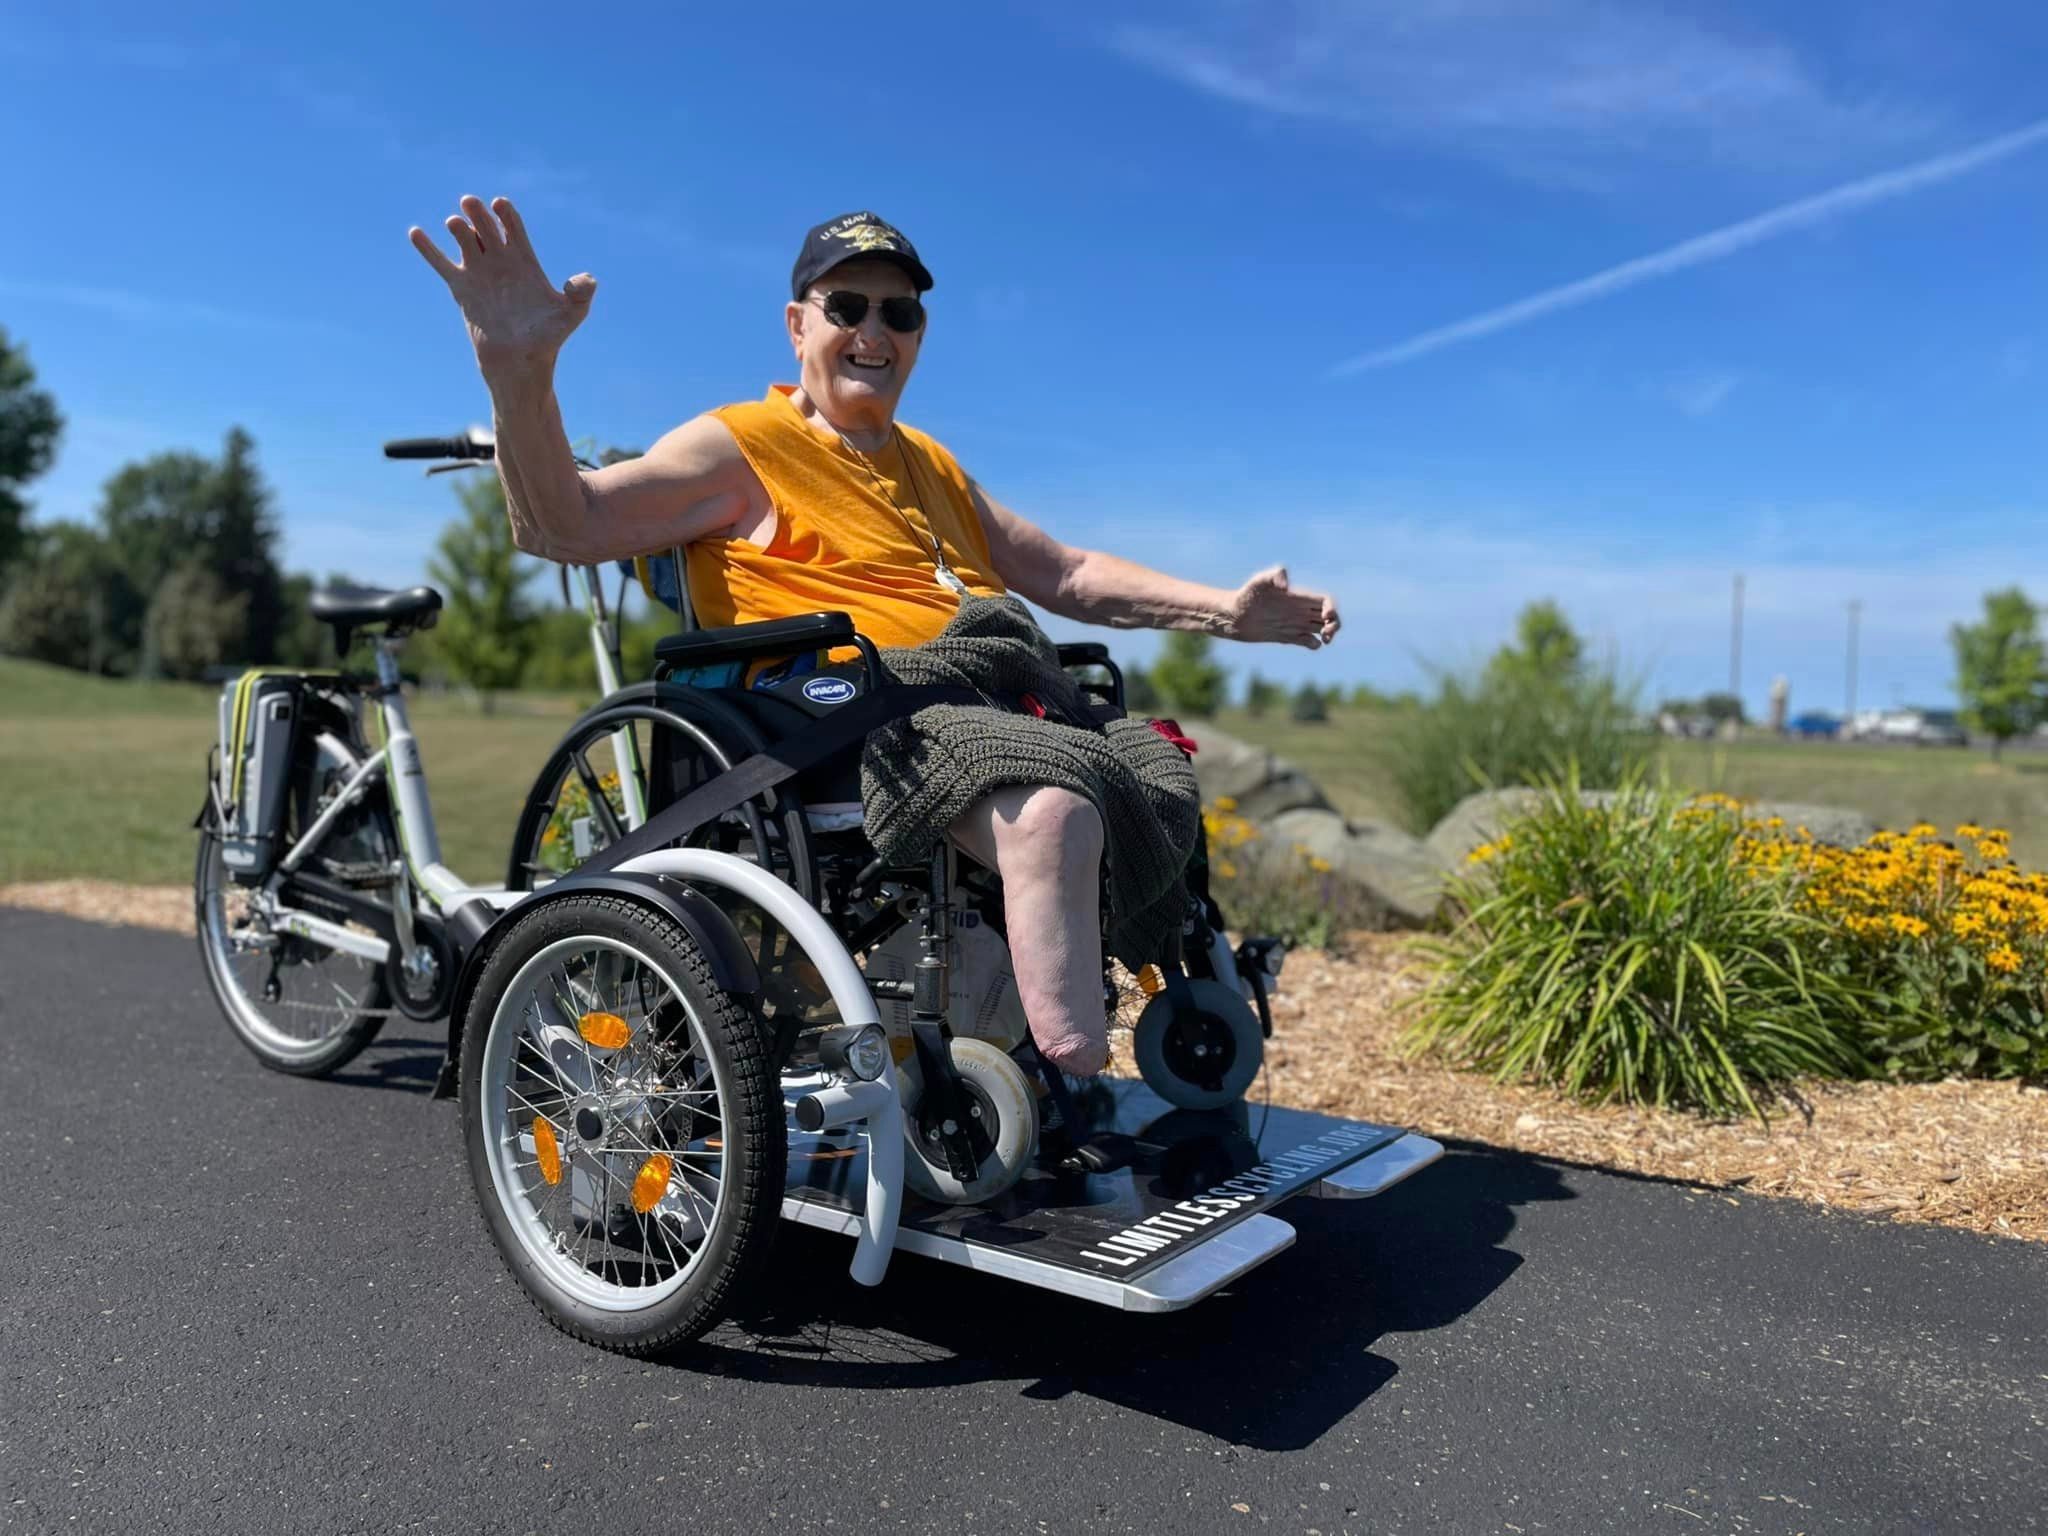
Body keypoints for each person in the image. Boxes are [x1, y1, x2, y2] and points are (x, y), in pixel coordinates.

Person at [410, 198, 1341, 1077]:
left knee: (1153, 762)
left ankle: (1064, 1018)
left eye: (901, 314)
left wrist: (1227, 612)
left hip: (987, 689)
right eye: (846, 304)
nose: (875, 330)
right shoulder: (739, 445)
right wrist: (518, 371)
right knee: (1052, 810)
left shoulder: (930, 461)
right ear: (796, 325)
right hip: (841, 721)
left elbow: (1066, 574)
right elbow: (563, 526)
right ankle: (1075, 1068)